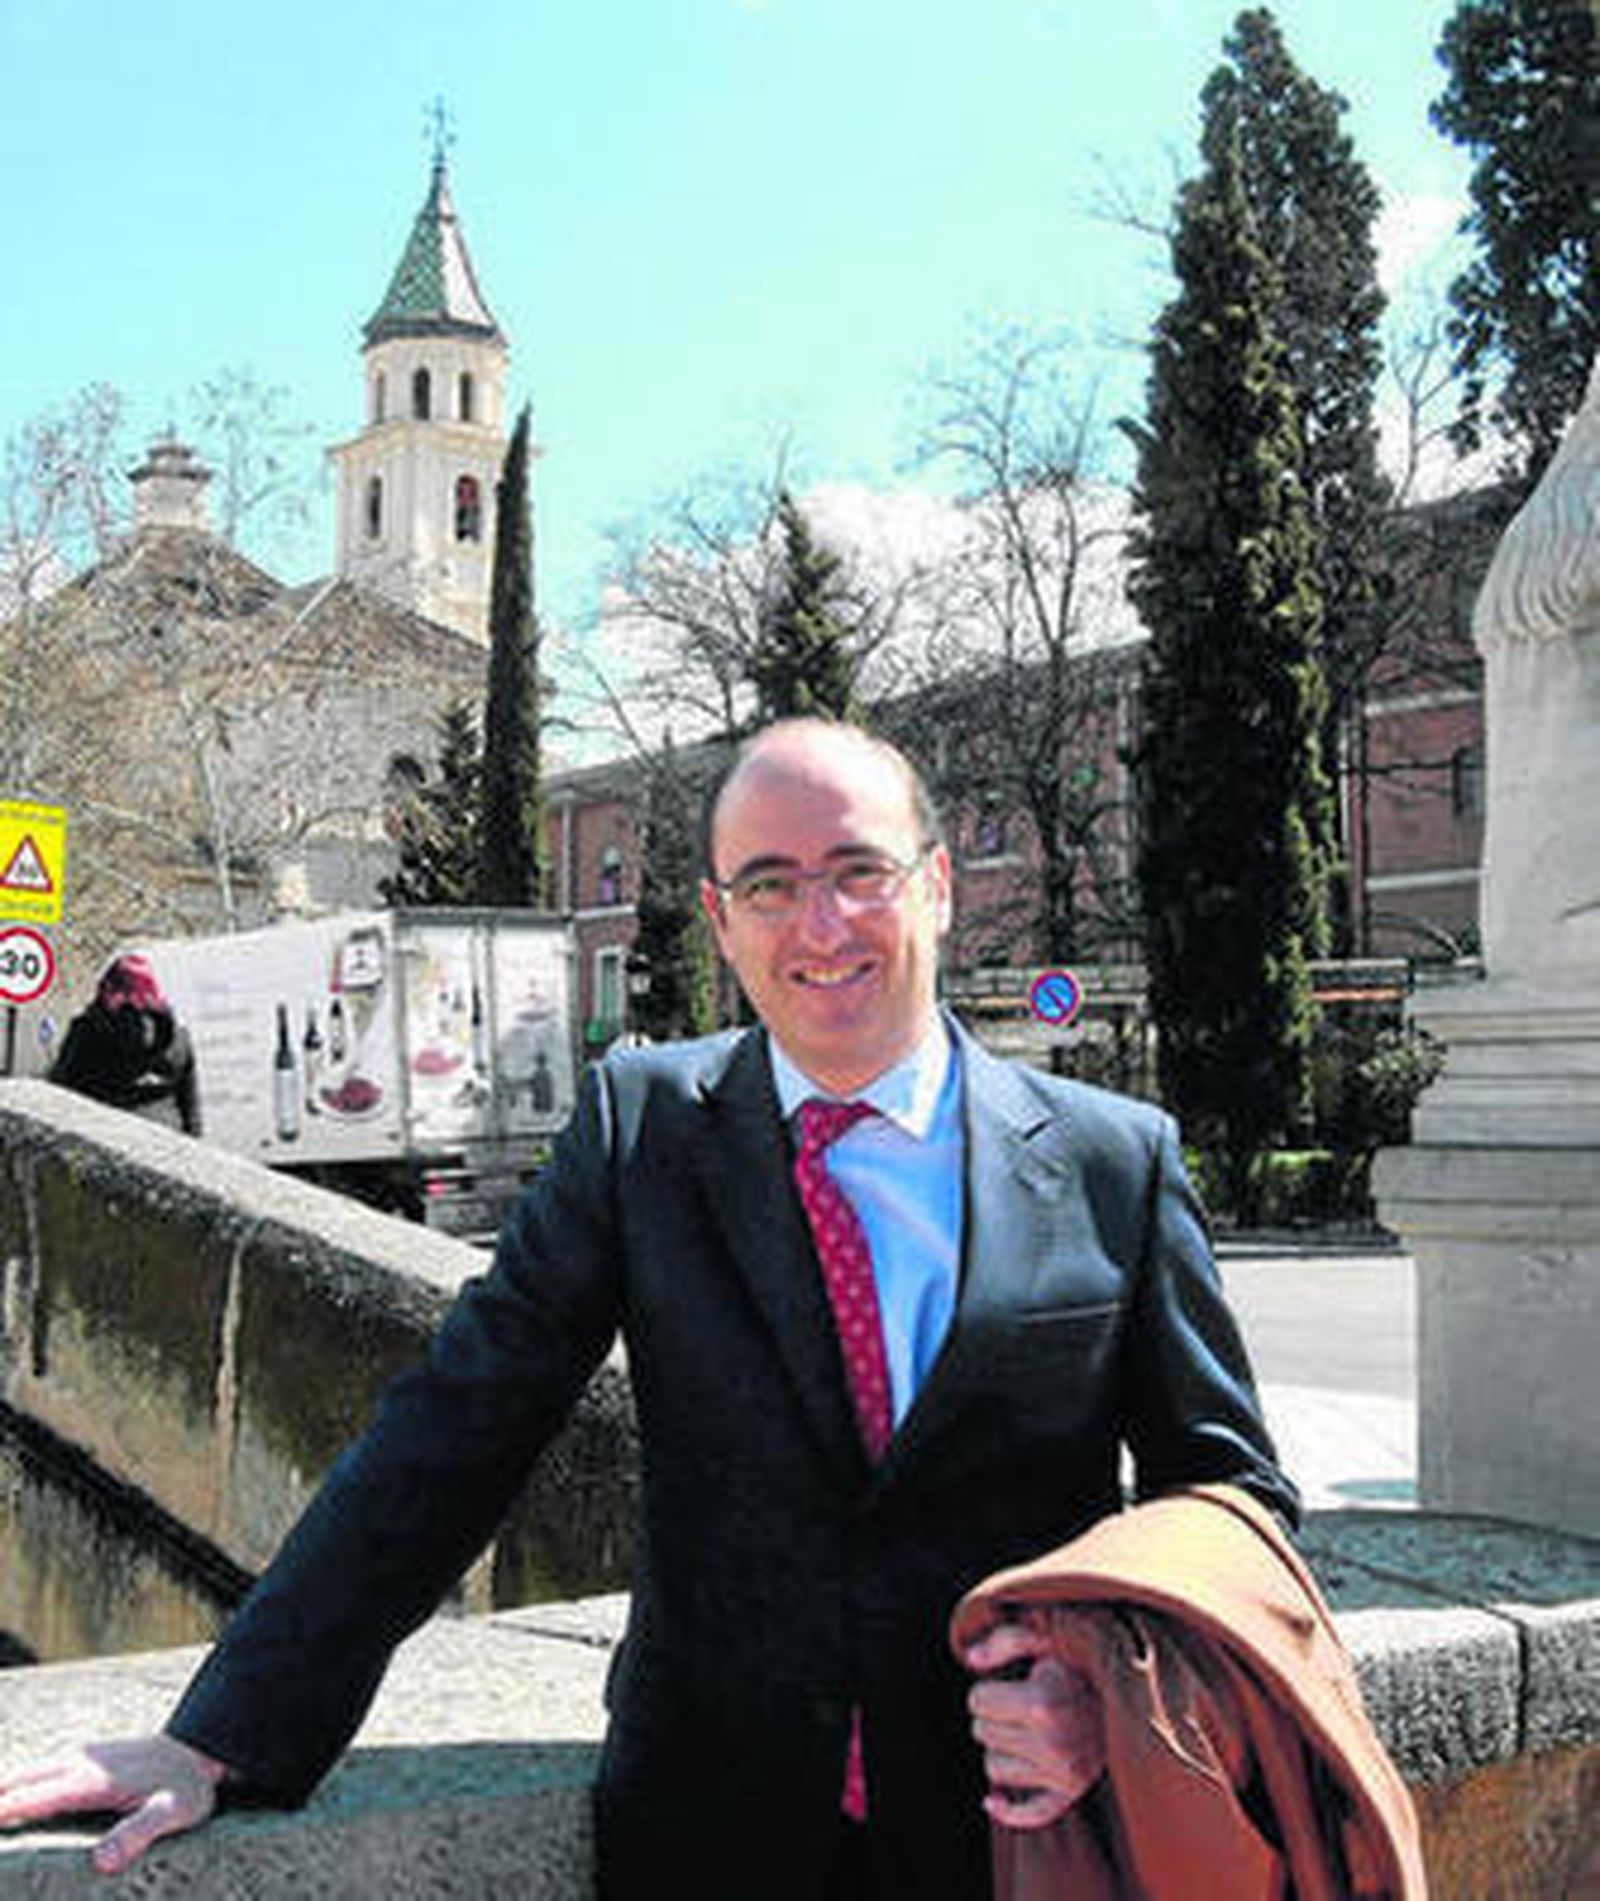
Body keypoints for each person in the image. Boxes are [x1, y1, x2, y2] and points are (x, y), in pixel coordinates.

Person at [0, 719, 1295, 1898]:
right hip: (710, 1840)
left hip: (1017, 1844)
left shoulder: (1112, 1163)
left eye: (860, 871)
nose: (821, 924)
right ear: (720, 922)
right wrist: (222, 1730)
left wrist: (1118, 1698)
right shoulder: (642, 1134)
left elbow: (1232, 1504)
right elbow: (453, 1432)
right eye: (770, 886)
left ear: (939, 888)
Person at [48, 953, 201, 1136]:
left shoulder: (87, 1031)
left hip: (104, 1140)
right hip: (167, 1145)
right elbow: (190, 1105)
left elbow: (61, 1090)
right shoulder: (178, 1038)